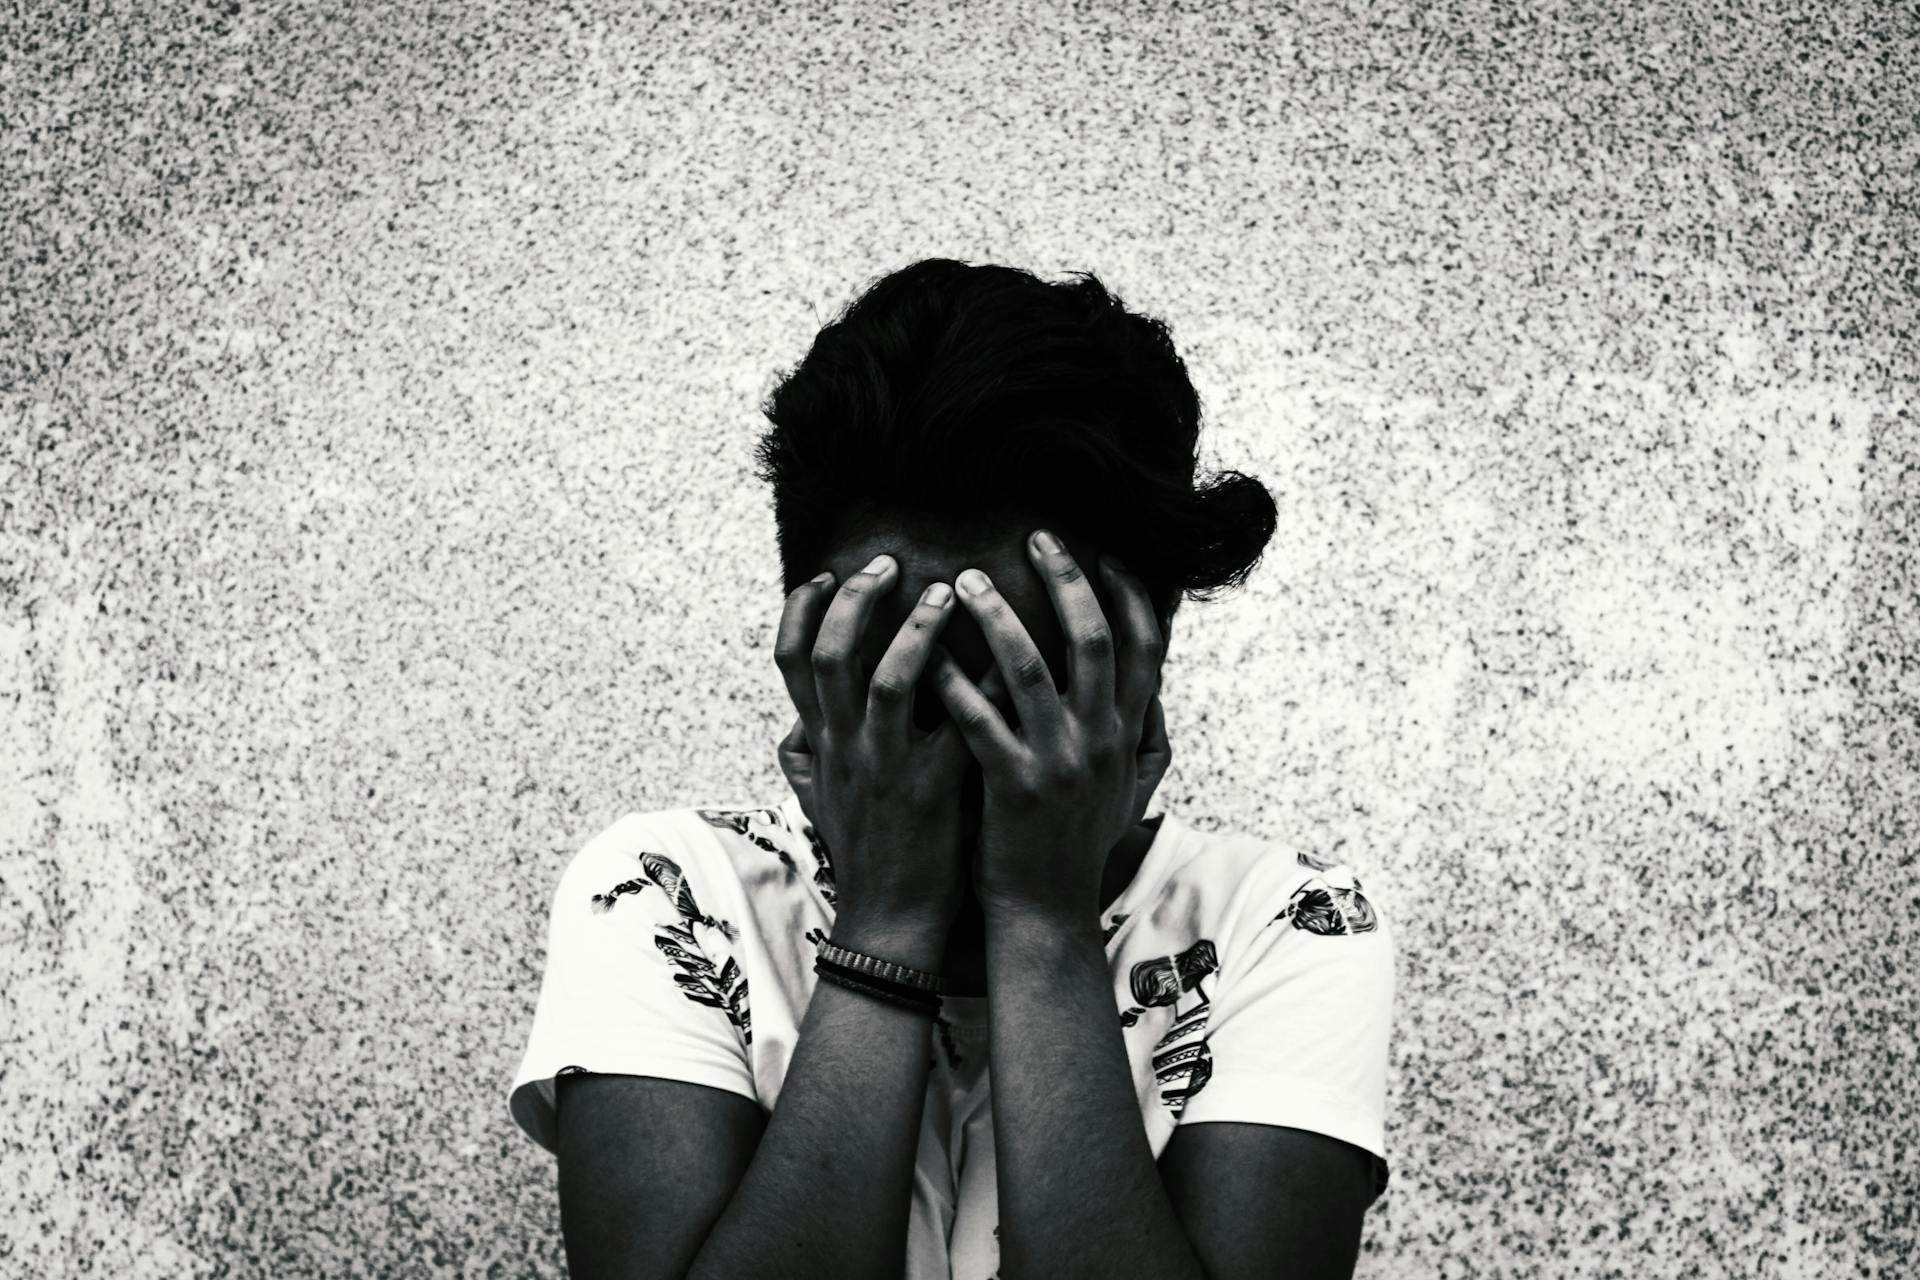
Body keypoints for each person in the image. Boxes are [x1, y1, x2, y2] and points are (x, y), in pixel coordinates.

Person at [506, 259, 1396, 1280]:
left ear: (1140, 658)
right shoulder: (667, 891)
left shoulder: (1285, 924)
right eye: (907, 667)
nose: (971, 734)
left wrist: (1041, 923)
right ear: (810, 651)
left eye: (1023, 669)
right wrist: (886, 921)